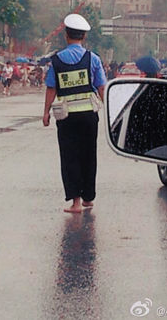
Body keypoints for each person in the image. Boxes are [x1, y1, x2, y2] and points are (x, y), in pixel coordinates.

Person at [43, 13, 107, 214]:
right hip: (89, 117)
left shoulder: (56, 61)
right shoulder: (93, 59)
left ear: (66, 35)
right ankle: (89, 198)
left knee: (70, 157)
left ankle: (76, 202)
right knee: (89, 155)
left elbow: (51, 89)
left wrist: (46, 112)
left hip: (67, 118)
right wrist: (112, 114)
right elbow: (102, 88)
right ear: (84, 37)